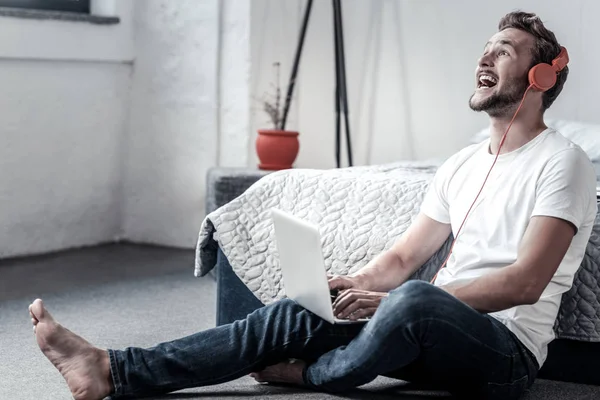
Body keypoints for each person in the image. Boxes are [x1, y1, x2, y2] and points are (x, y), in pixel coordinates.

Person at [28, 10, 596, 400]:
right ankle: (114, 370)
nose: (486, 57)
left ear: (541, 75)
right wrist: (354, 283)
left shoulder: (563, 162)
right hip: (424, 336)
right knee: (302, 310)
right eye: (486, 47)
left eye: (504, 51)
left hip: (503, 354)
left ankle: (314, 376)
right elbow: (401, 259)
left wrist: (395, 301)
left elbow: (523, 281)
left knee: (411, 300)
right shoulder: (461, 163)